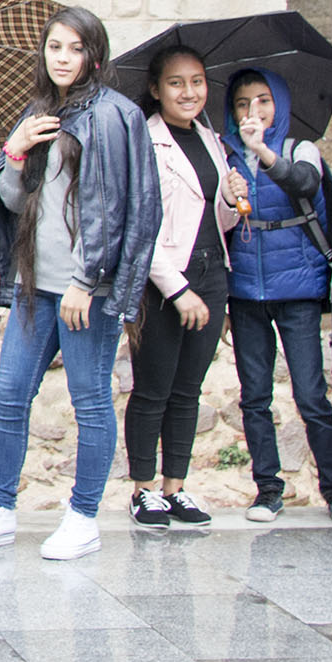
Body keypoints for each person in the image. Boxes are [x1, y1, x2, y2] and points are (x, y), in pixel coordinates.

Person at [0, 7, 161, 563]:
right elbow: (11, 202)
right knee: (8, 396)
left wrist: (87, 281)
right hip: (35, 285)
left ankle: (83, 516)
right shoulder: (38, 112)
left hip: (84, 292)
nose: (63, 58)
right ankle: (0, 508)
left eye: (75, 48)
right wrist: (14, 151)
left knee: (90, 402)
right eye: (54, 48)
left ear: (94, 55)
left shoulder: (116, 116)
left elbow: (123, 210)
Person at [220, 69, 332, 525]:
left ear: (279, 103)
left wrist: (262, 151)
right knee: (254, 396)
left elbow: (304, 184)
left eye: (263, 100)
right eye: (242, 103)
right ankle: (268, 490)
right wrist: (228, 193)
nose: (252, 111)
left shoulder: (301, 149)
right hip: (245, 291)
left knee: (311, 394)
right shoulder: (224, 155)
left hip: (298, 288)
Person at [126, 45, 245, 534]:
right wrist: (177, 290)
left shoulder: (211, 140)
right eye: (176, 83)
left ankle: (175, 486)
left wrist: (232, 201)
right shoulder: (144, 141)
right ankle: (143, 490)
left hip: (212, 274)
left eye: (197, 81)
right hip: (164, 281)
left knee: (187, 390)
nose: (189, 92)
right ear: (156, 90)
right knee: (152, 389)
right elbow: (139, 227)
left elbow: (214, 221)